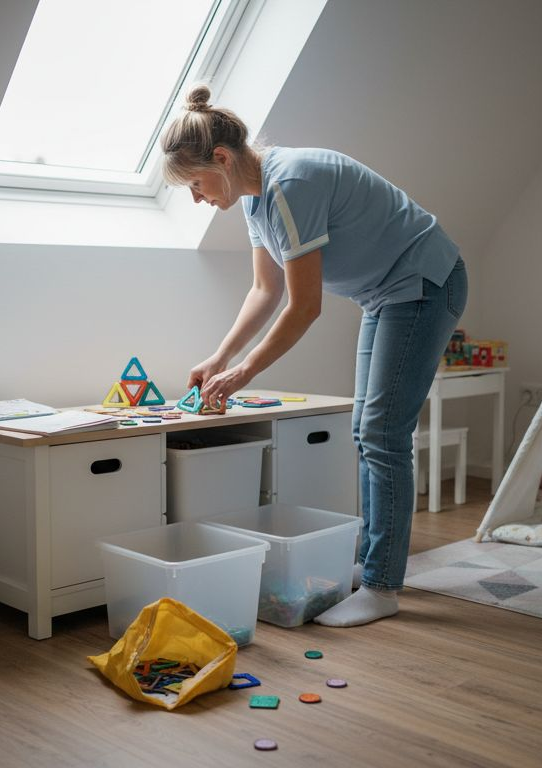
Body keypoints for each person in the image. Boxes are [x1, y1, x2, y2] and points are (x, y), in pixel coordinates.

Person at [162, 85, 467, 627]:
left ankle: (381, 585)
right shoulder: (255, 200)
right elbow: (265, 291)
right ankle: (377, 567)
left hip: (424, 281)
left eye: (194, 183)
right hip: (384, 295)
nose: (196, 198)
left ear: (223, 160)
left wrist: (242, 374)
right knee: (367, 429)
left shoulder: (290, 186)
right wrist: (220, 356)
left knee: (381, 431)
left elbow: (305, 307)